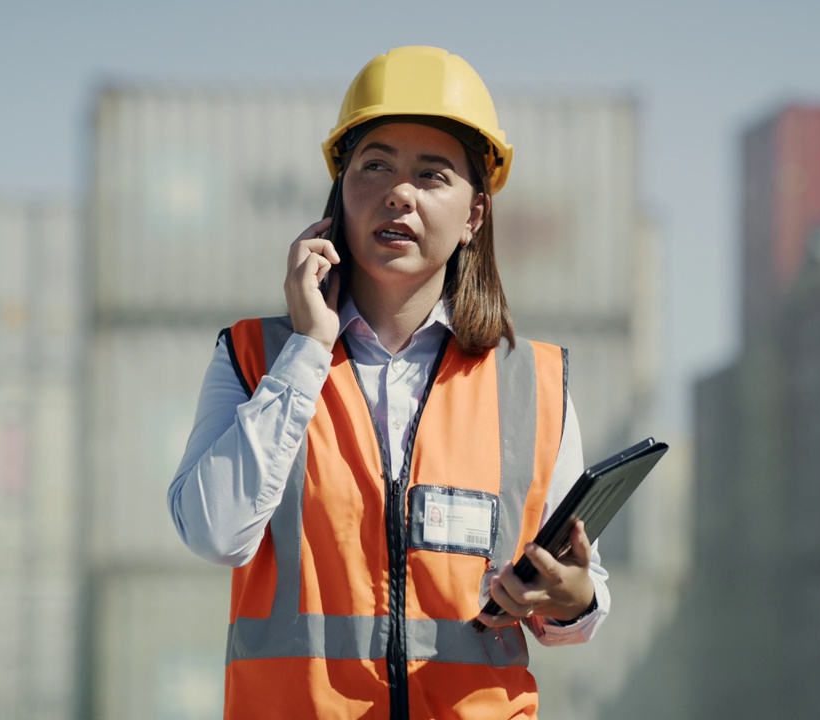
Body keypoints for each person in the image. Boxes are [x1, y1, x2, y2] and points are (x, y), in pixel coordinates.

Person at [168, 45, 609, 719]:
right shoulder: (254, 357)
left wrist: (573, 598)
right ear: (340, 196)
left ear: (474, 217)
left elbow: (577, 605)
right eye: (374, 166)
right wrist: (310, 348)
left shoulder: (534, 384)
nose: (398, 192)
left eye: (432, 176)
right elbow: (214, 532)